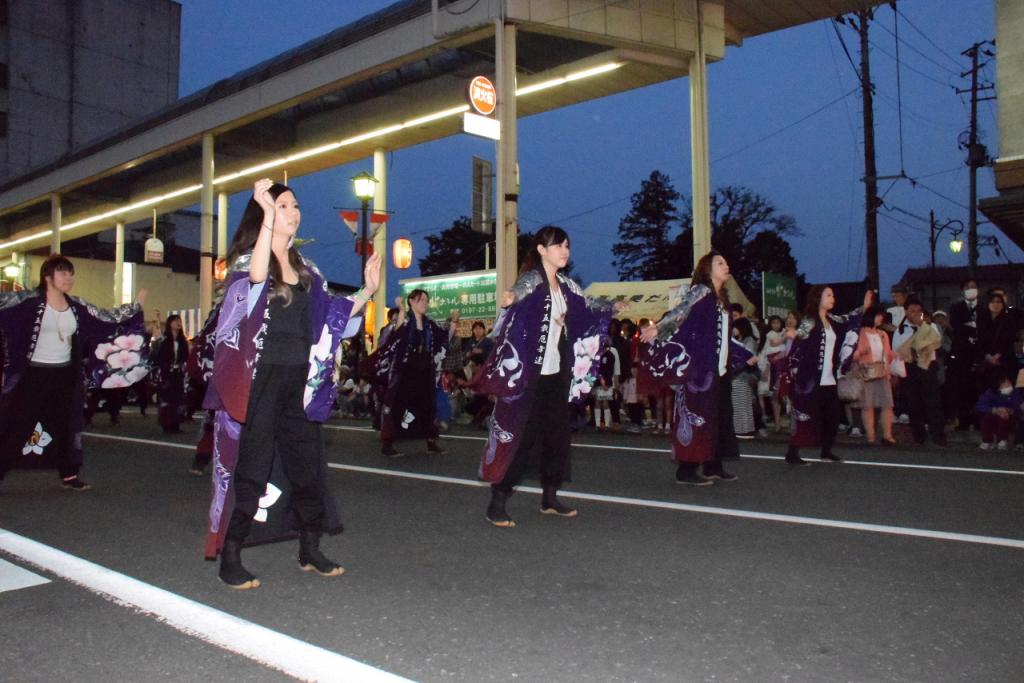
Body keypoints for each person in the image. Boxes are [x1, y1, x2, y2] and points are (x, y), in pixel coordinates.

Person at [204, 178, 380, 589]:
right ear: (265, 214)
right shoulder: (249, 261)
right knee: (252, 464)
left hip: (300, 379)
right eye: (285, 205)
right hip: (259, 378)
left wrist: (368, 291)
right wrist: (267, 213)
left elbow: (333, 314)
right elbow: (256, 280)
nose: (294, 212)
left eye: (295, 205)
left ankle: (310, 545)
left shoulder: (307, 269)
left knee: (307, 466)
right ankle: (231, 553)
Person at [474, 226, 617, 526]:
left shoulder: (566, 286)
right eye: (558, 245)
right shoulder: (533, 280)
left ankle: (550, 498)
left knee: (557, 437)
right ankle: (497, 500)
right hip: (531, 375)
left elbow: (586, 308)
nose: (565, 250)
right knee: (522, 437)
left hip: (556, 375)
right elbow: (520, 291)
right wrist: (510, 297)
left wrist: (611, 307)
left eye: (567, 245)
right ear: (541, 250)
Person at [0, 254, 147, 490]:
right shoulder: (26, 301)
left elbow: (106, 319)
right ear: (48, 276)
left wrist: (134, 307)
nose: (68, 278)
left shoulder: (77, 307)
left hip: (64, 375)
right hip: (32, 375)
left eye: (70, 273)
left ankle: (69, 474)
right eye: (63, 272)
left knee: (67, 423)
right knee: (16, 424)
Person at [640, 252, 757, 485]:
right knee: (697, 417)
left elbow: (723, 337)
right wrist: (659, 327)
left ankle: (713, 465)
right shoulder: (701, 291)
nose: (726, 265)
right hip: (700, 371)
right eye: (720, 263)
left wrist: (745, 354)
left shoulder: (721, 300)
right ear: (707, 269)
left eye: (726, 261)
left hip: (719, 371)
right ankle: (686, 469)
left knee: (719, 418)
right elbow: (680, 311)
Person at [784, 285, 872, 465]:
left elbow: (849, 319)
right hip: (809, 378)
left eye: (833, 295)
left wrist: (864, 307)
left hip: (829, 377)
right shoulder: (809, 321)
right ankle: (793, 452)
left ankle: (826, 450)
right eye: (829, 295)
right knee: (805, 413)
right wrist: (794, 371)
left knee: (832, 415)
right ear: (818, 298)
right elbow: (798, 344)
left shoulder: (832, 320)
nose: (833, 298)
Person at [371, 290, 452, 457]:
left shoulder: (429, 324)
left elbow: (443, 337)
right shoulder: (406, 319)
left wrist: (453, 321)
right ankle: (388, 443)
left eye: (426, 300)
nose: (425, 303)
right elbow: (397, 331)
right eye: (421, 300)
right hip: (406, 370)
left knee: (427, 405)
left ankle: (431, 441)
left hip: (424, 369)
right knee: (397, 404)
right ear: (412, 302)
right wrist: (400, 309)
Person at [894, 299, 947, 447]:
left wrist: (922, 328)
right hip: (910, 368)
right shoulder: (901, 329)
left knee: (933, 402)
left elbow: (938, 343)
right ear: (905, 312)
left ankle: (938, 436)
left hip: (929, 366)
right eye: (912, 311)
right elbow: (897, 349)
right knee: (913, 403)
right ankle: (918, 436)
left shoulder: (931, 326)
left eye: (919, 311)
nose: (916, 314)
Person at [852, 305, 897, 445]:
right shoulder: (860, 333)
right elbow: (854, 355)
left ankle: (887, 435)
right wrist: (861, 352)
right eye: (878, 315)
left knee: (887, 404)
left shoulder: (882, 334)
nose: (881, 318)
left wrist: (896, 356)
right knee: (867, 405)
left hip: (882, 372)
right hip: (866, 373)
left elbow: (888, 354)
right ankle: (871, 436)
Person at [948, 279, 982, 430]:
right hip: (961, 354)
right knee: (962, 388)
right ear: (962, 290)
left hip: (980, 353)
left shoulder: (984, 307)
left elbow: (985, 328)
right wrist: (972, 328)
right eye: (967, 287)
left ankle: (979, 420)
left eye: (974, 287)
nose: (971, 289)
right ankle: (963, 420)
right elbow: (957, 327)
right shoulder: (956, 308)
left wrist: (969, 327)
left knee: (979, 387)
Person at [153, 313, 190, 433]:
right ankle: (166, 424)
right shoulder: (164, 341)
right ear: (170, 323)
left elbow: (185, 357)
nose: (178, 323)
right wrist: (165, 368)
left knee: (178, 399)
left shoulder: (183, 341)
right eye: (175, 321)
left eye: (179, 321)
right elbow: (158, 357)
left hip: (179, 374)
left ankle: (176, 424)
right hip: (167, 373)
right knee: (167, 399)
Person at [976, 292, 1018, 390]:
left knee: (1004, 389)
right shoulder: (982, 320)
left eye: (998, 302)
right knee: (986, 390)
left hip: (1004, 361)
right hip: (986, 362)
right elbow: (979, 340)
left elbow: (1009, 340)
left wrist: (998, 355)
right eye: (992, 302)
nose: (996, 304)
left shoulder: (1008, 320)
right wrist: (987, 356)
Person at [974, 374, 1021, 451]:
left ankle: (1002, 441)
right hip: (993, 415)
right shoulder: (990, 392)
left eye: (1009, 383)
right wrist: (995, 410)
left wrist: (1008, 411)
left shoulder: (1015, 392)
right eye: (1004, 384)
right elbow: (979, 406)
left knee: (1004, 418)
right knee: (986, 417)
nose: (1008, 385)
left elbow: (1017, 408)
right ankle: (987, 441)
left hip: (1009, 417)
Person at [731, 317, 759, 439]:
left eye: (735, 327)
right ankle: (745, 429)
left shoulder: (749, 341)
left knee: (741, 403)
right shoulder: (740, 340)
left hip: (742, 376)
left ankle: (743, 430)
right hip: (739, 375)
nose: (733, 329)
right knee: (741, 403)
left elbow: (749, 358)